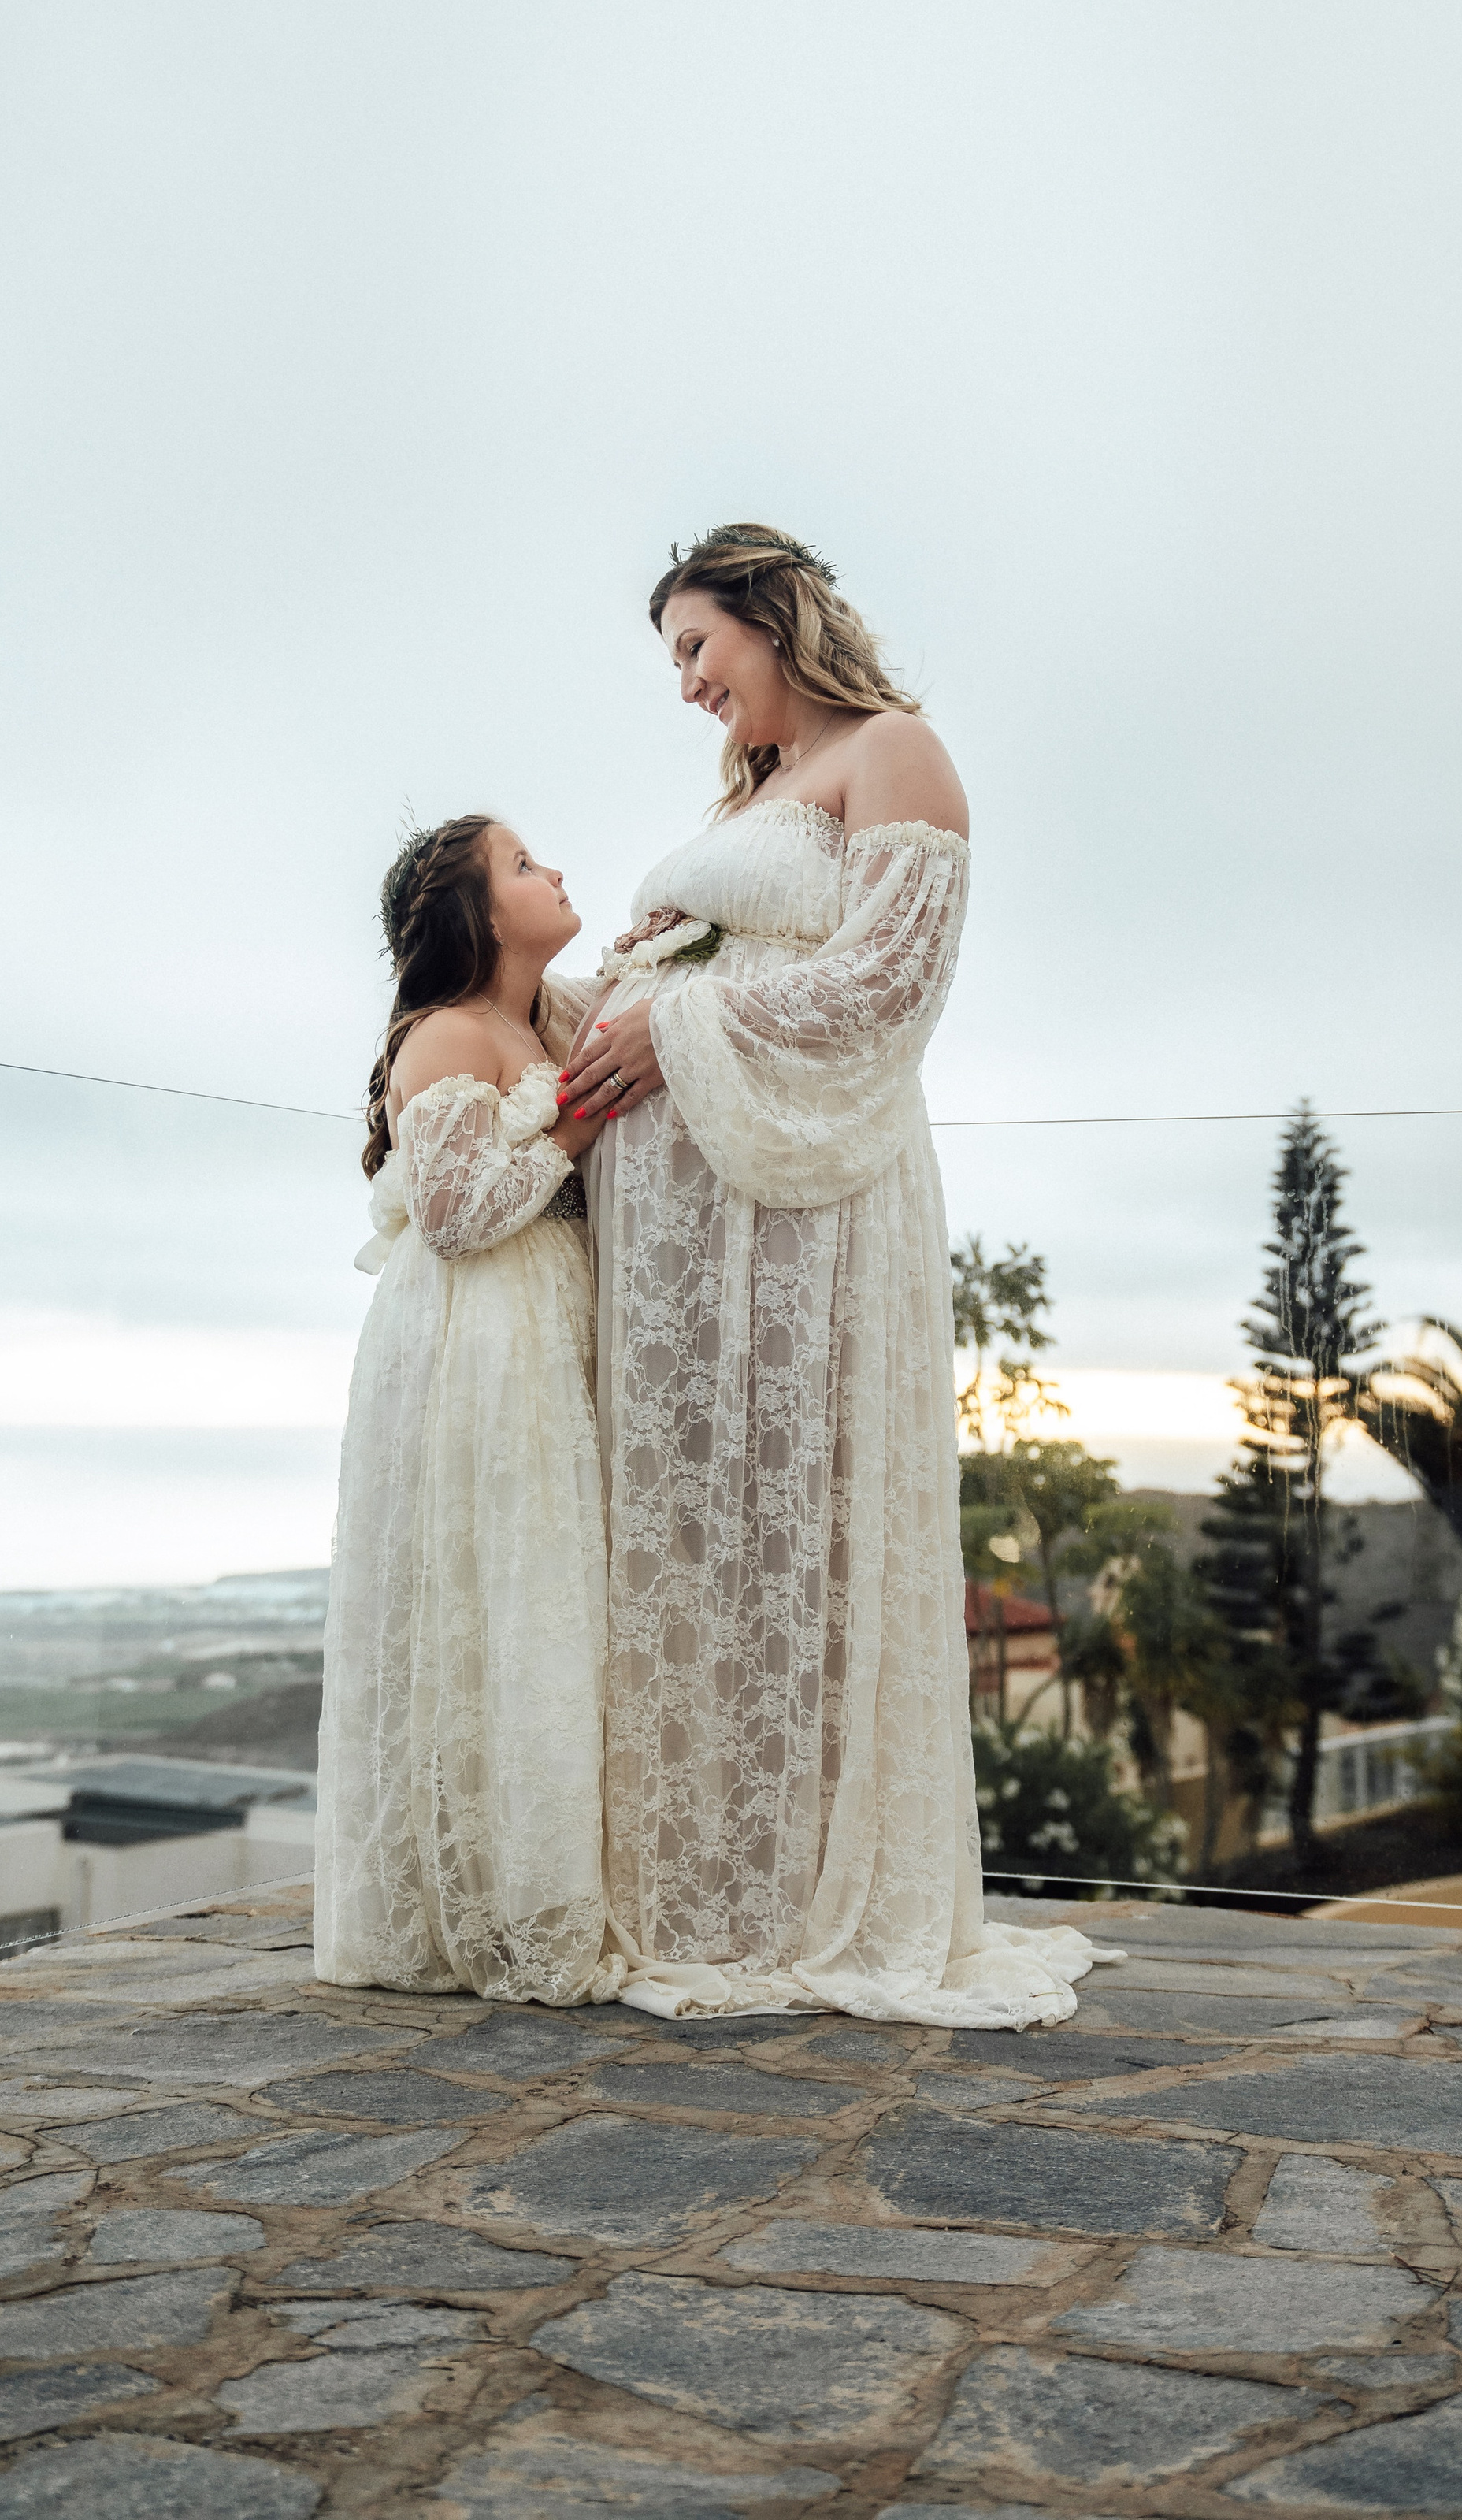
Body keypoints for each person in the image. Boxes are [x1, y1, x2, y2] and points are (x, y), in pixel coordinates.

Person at [558, 523, 1113, 2025]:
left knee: (805, 1526)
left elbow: (892, 978)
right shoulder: (749, 796)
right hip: (679, 1242)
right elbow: (675, 979)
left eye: (695, 645)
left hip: (805, 1223)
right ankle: (706, 1881)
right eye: (674, 659)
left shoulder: (894, 751)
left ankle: (807, 1895)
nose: (686, 683)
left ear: (772, 615)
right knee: (697, 1552)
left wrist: (673, 1026)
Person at [314, 815, 619, 2006]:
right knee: (487, 1587)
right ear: (481, 914)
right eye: (525, 865)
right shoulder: (449, 1033)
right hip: (474, 1339)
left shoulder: (541, 1021)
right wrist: (579, 1126)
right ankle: (476, 1904)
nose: (556, 871)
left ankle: (529, 1882)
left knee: (535, 1597)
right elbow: (451, 1214)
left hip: (536, 1323)